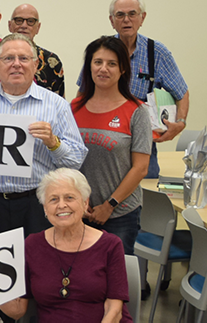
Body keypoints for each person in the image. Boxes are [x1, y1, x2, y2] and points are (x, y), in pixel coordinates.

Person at [0, 33, 87, 236]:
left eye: (24, 58)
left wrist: (54, 143)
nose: (16, 64)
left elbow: (76, 161)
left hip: (37, 204)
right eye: (9, 58)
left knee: (35, 264)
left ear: (36, 65)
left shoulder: (57, 106)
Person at [0, 168, 133, 323]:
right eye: (53, 199)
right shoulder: (32, 245)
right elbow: (18, 311)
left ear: (85, 203)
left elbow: (115, 310)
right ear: (45, 208)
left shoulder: (110, 245)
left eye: (70, 197)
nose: (61, 205)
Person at [71, 36, 151, 254]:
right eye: (97, 62)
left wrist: (109, 205)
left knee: (116, 278)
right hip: (80, 211)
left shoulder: (137, 111)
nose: (103, 69)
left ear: (123, 69)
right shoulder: (74, 108)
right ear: (89, 67)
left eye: (112, 63)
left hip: (120, 213)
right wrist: (78, 201)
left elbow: (141, 167)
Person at [103, 0, 190, 178]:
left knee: (145, 196)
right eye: (120, 15)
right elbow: (84, 93)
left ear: (142, 18)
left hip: (142, 143)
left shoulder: (157, 53)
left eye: (132, 14)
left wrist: (180, 123)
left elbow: (182, 93)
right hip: (106, 141)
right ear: (112, 21)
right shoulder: (101, 51)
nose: (126, 19)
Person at [8, 4, 64, 97]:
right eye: (19, 20)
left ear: (38, 27)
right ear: (10, 25)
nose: (24, 25)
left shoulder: (52, 62)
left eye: (30, 21)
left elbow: (59, 102)